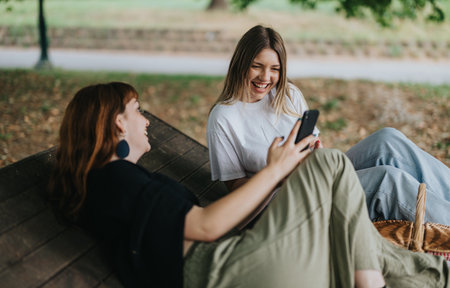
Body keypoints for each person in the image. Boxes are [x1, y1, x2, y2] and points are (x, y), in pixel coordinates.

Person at [48, 82, 449, 288]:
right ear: (118, 121)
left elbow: (217, 226)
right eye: (137, 111)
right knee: (329, 163)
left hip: (242, 258)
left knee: (370, 239)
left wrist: (283, 168)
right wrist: (276, 170)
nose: (145, 119)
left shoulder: (117, 184)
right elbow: (205, 226)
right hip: (230, 269)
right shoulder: (113, 179)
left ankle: (435, 274)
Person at [207, 25, 450, 226]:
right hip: (284, 206)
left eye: (275, 69)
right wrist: (279, 174)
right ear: (241, 64)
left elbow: (312, 145)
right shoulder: (224, 117)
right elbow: (236, 192)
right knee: (386, 181)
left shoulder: (288, 94)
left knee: (388, 140)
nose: (265, 78)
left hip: (316, 175)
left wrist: (316, 152)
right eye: (257, 66)